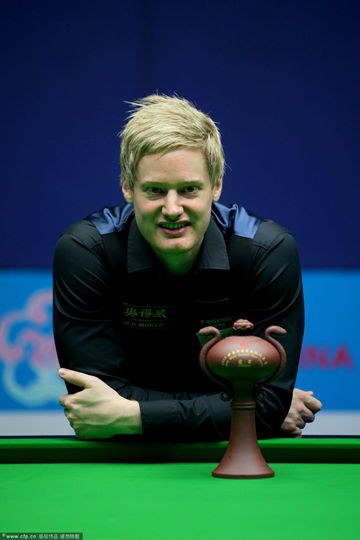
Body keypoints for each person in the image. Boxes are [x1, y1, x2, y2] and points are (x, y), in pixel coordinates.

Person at [54, 94, 322, 441]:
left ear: (216, 185)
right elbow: (94, 402)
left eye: (189, 190)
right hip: (123, 469)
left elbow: (269, 405)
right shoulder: (86, 252)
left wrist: (134, 416)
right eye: (154, 190)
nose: (172, 208)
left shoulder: (266, 251)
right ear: (127, 187)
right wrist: (242, 410)